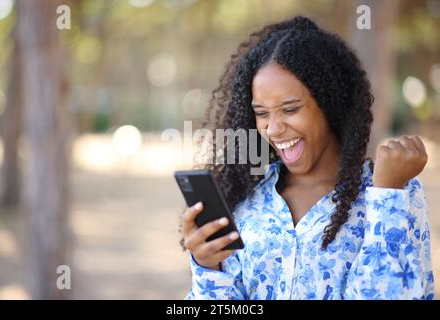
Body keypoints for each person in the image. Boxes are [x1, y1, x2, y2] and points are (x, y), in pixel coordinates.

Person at [180, 16, 434, 300]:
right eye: (262, 113)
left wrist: (388, 198)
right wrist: (207, 268)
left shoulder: (394, 193)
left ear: (330, 104)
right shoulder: (247, 202)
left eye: (290, 109)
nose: (273, 129)